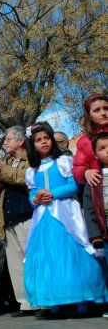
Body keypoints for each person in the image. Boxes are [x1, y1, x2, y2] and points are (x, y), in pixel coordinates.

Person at [24, 122, 107, 319]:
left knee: (73, 254)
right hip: (43, 218)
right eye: (38, 140)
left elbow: (74, 185)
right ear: (32, 145)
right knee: (48, 257)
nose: (43, 142)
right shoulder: (32, 170)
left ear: (52, 140)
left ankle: (82, 299)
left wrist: (52, 193)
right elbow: (32, 193)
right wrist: (36, 199)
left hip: (66, 213)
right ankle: (55, 300)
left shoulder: (63, 161)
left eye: (46, 138)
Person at [0, 125, 34, 317]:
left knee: (31, 259)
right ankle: (25, 303)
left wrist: (3, 170)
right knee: (16, 265)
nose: (5, 142)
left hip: (27, 215)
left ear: (21, 140)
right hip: (7, 218)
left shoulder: (31, 159)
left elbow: (27, 179)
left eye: (8, 139)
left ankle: (40, 301)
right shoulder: (5, 162)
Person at [82, 132, 108, 319]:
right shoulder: (94, 179)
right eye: (102, 148)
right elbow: (89, 208)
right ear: (96, 155)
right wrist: (95, 235)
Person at [73, 94, 108, 187]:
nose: (103, 113)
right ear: (89, 115)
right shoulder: (84, 141)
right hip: (101, 188)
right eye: (97, 110)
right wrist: (85, 172)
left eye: (106, 108)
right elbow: (77, 167)